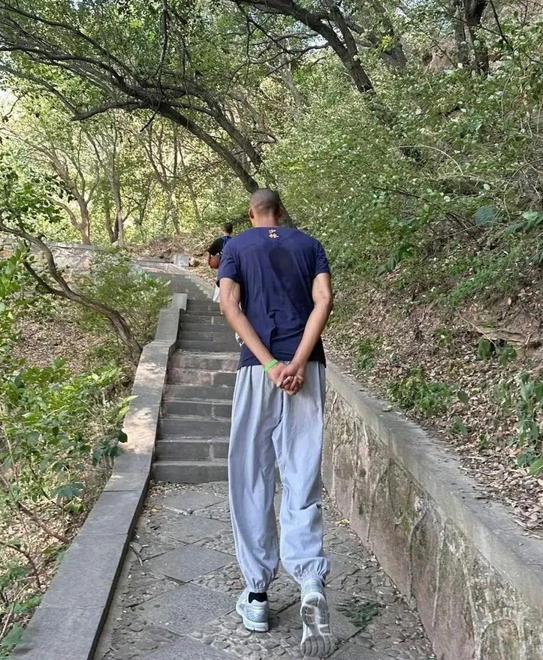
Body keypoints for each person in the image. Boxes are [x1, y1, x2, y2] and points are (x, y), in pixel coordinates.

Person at [218, 189, 334, 658]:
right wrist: (299, 362)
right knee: (302, 475)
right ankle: (310, 583)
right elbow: (323, 300)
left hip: (257, 371)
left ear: (252, 214)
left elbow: (229, 306)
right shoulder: (309, 244)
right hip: (308, 370)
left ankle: (257, 596)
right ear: (281, 212)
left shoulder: (236, 247)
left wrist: (269, 364)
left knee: (251, 476)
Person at [208, 222, 233, 303]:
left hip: (222, 266)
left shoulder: (218, 241)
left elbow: (210, 252)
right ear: (232, 231)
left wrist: (209, 262)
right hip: (233, 267)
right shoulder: (235, 241)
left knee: (220, 283)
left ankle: (219, 301)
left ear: (223, 230)